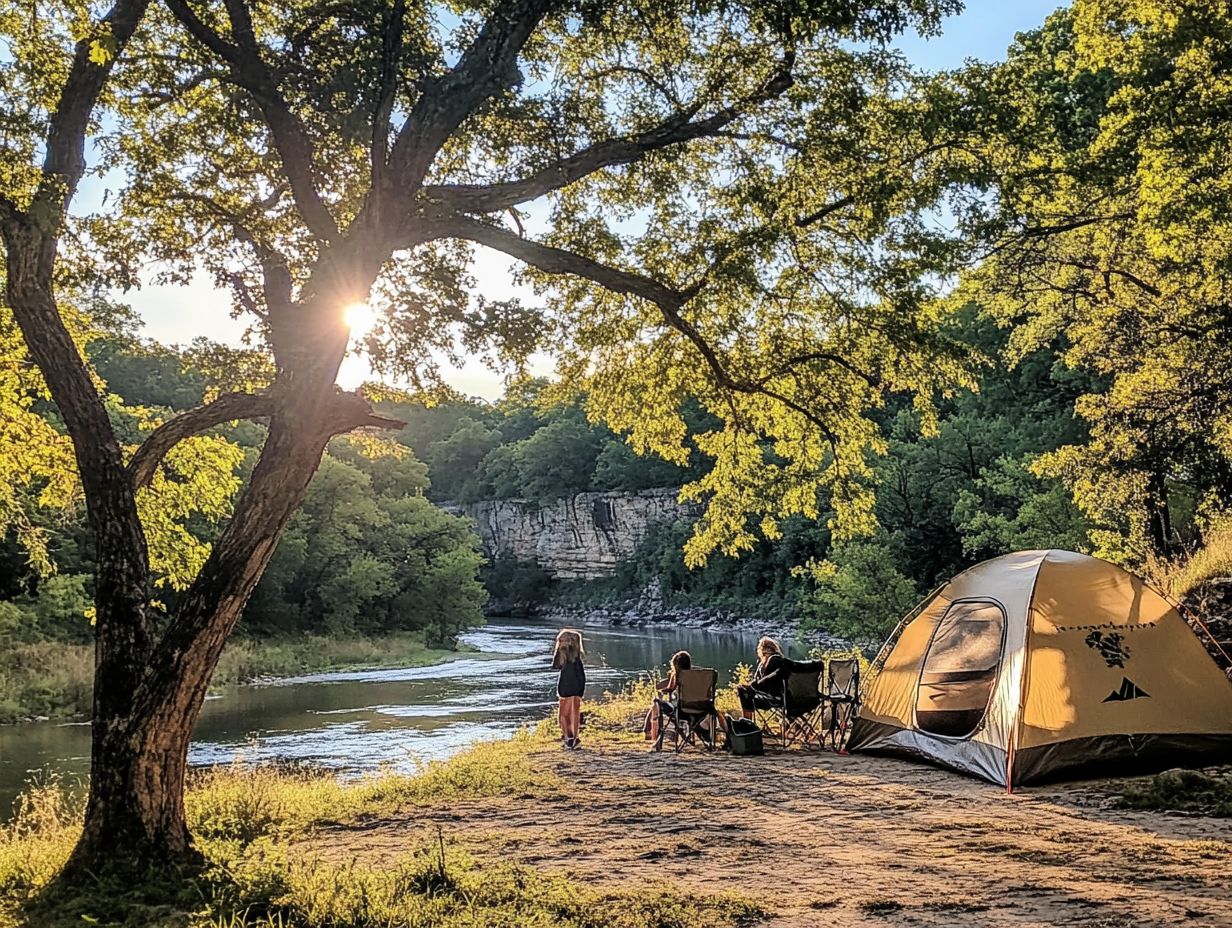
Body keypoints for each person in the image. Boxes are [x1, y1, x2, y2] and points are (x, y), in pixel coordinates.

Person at [736, 636, 787, 719]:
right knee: (747, 691)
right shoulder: (785, 662)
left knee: (742, 690)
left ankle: (747, 723)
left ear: (762, 650)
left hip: (772, 700)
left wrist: (750, 687)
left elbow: (764, 684)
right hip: (789, 699)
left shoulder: (770, 661)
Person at [552, 628, 585, 749]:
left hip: (566, 683)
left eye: (561, 640)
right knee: (574, 711)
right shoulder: (576, 655)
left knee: (564, 711)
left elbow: (556, 666)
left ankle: (568, 737)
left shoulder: (564, 655)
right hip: (577, 682)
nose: (559, 642)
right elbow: (580, 673)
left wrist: (559, 650)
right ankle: (573, 737)